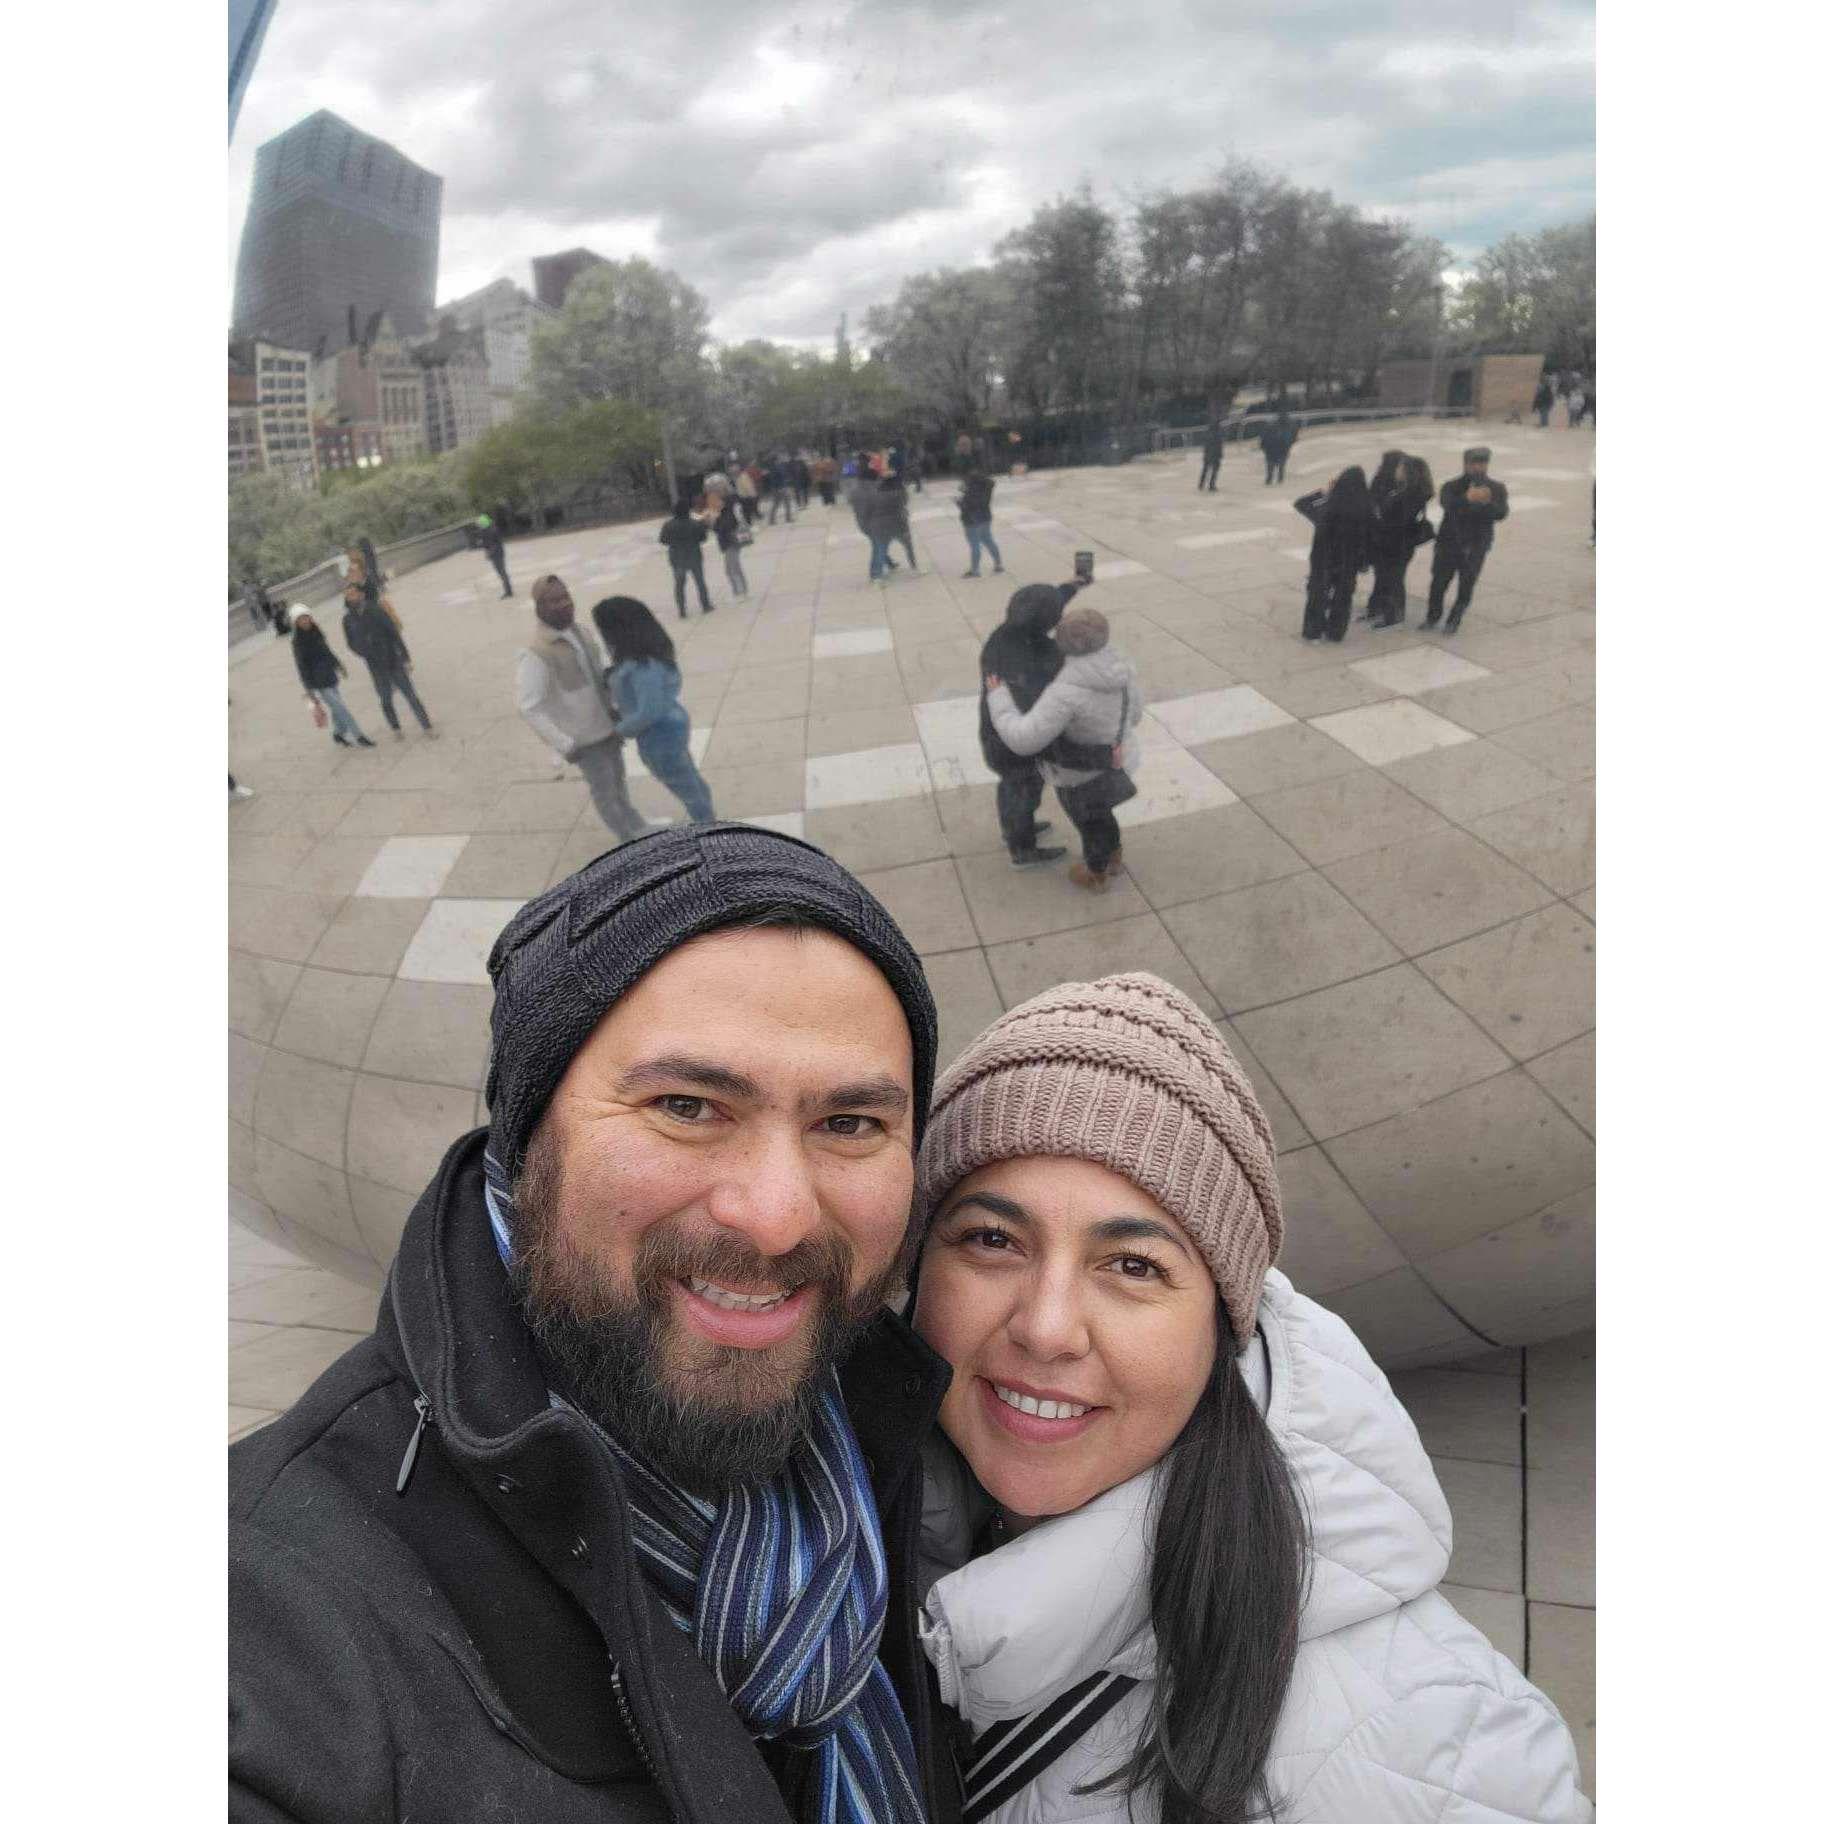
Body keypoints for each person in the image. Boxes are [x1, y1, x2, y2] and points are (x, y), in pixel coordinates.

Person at [231, 825, 961, 1824]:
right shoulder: (274, 1617)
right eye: (688, 1106)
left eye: (850, 1124)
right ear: (528, 1138)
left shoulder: (909, 1417)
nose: (780, 1213)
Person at [909, 973, 1594, 1824]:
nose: (1047, 1329)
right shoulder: (814, 1544)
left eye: (1132, 1266)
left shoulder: (1434, 1742)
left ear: (1223, 1327)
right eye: (992, 1239)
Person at [986, 604, 1140, 893]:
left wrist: (999, 698)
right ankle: (1114, 855)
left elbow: (1024, 739)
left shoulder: (1065, 692)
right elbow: (1135, 714)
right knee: (1103, 814)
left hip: (1078, 776)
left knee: (1089, 823)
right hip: (1117, 760)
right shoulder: (1122, 668)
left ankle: (1096, 872)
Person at [517, 575, 663, 843]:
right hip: (583, 740)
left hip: (608, 726)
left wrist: (617, 705)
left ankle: (635, 825)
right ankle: (627, 839)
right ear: (539, 607)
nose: (563, 604)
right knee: (604, 790)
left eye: (565, 596)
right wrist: (564, 744)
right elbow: (529, 707)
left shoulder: (581, 631)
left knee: (618, 781)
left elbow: (599, 674)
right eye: (554, 601)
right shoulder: (536, 653)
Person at [975, 581, 1084, 869]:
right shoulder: (1037, 656)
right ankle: (1022, 848)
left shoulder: (1002, 636)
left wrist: (1074, 585)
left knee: (1014, 787)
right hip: (1018, 741)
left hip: (996, 734)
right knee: (1023, 788)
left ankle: (1014, 829)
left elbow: (1043, 603)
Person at [591, 596, 717, 824]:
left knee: (685, 786)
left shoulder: (643, 667)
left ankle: (708, 829)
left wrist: (618, 730)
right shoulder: (644, 658)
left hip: (660, 736)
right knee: (689, 779)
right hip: (670, 728)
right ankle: (707, 819)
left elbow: (649, 710)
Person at [1425, 446, 1510, 633]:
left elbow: (1501, 513)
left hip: (1476, 545)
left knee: (1466, 585)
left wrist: (1486, 503)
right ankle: (1432, 616)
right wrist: (1467, 498)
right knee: (1438, 583)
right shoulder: (1451, 486)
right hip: (1449, 543)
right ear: (1466, 464)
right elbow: (1448, 505)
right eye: (1474, 463)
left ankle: (1454, 620)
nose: (1479, 467)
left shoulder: (1496, 488)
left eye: (1483, 463)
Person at [342, 580, 437, 740]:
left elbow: (393, 632)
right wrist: (363, 651)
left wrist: (405, 656)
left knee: (410, 695)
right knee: (385, 699)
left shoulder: (375, 609)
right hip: (374, 665)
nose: (351, 597)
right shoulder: (347, 619)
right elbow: (350, 642)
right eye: (348, 595)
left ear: (361, 594)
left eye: (353, 593)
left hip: (392, 659)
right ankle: (395, 728)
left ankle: (427, 726)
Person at [1295, 466, 1372, 642]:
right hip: (1348, 562)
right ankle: (1336, 632)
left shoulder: (1328, 507)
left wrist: (1325, 492)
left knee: (1317, 594)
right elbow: (1369, 538)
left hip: (1324, 559)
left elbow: (1301, 503)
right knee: (1343, 597)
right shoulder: (1366, 509)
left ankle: (1313, 630)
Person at [1364, 451, 1435, 629]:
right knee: (1387, 577)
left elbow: (1397, 519)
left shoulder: (1408, 495)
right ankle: (1381, 609)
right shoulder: (1404, 491)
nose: (1397, 471)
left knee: (1394, 578)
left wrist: (1383, 511)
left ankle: (1394, 614)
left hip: (1397, 544)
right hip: (1394, 542)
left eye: (1401, 468)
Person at [288, 609, 375, 748]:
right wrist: (309, 689)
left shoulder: (317, 632)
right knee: (341, 708)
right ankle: (359, 736)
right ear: (296, 623)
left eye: (306, 618)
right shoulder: (297, 642)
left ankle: (338, 734)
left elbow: (327, 651)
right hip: (318, 682)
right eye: (300, 619)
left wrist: (339, 665)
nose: (304, 621)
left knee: (336, 709)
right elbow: (302, 667)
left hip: (330, 675)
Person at [658, 499, 715, 619]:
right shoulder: (695, 524)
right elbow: (703, 538)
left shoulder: (668, 525)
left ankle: (682, 609)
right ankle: (705, 605)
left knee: (679, 584)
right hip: (694, 555)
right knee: (700, 582)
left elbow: (663, 540)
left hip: (677, 557)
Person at [957, 465, 1004, 578]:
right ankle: (998, 564)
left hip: (971, 520)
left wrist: (959, 502)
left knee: (975, 545)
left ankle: (975, 570)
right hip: (985, 517)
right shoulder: (986, 486)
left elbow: (968, 505)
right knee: (989, 540)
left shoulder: (971, 490)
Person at [709, 490, 750, 598]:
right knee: (732, 567)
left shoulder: (727, 511)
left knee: (732, 568)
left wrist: (715, 520)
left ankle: (740, 591)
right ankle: (741, 590)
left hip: (731, 541)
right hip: (729, 541)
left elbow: (724, 526)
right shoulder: (726, 509)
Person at [1258, 407, 1297, 484]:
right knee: (1281, 465)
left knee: (1271, 464)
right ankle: (1279, 478)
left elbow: (1264, 437)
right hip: (1281, 448)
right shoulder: (1290, 425)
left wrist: (1262, 446)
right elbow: (1292, 438)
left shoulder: (1270, 425)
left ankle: (1270, 479)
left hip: (1272, 448)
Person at [766, 454, 796, 525]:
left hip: (781, 487)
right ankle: (785, 518)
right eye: (780, 458)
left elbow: (783, 476)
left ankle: (773, 520)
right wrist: (779, 488)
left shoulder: (779, 466)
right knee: (782, 503)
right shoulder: (775, 468)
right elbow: (774, 479)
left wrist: (787, 480)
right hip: (780, 488)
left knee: (780, 504)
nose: (781, 459)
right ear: (776, 460)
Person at [1196, 417, 1224, 491]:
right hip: (1214, 455)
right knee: (1214, 470)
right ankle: (1211, 485)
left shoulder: (1208, 434)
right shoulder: (1217, 435)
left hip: (1207, 455)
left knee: (1205, 470)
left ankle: (1201, 484)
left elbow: (1206, 445)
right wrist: (1220, 455)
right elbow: (1219, 446)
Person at [735, 461, 761, 526]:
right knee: (747, 511)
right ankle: (749, 523)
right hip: (746, 496)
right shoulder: (743, 476)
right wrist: (753, 494)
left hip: (743, 496)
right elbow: (748, 486)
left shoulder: (739, 477)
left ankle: (748, 522)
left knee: (746, 511)